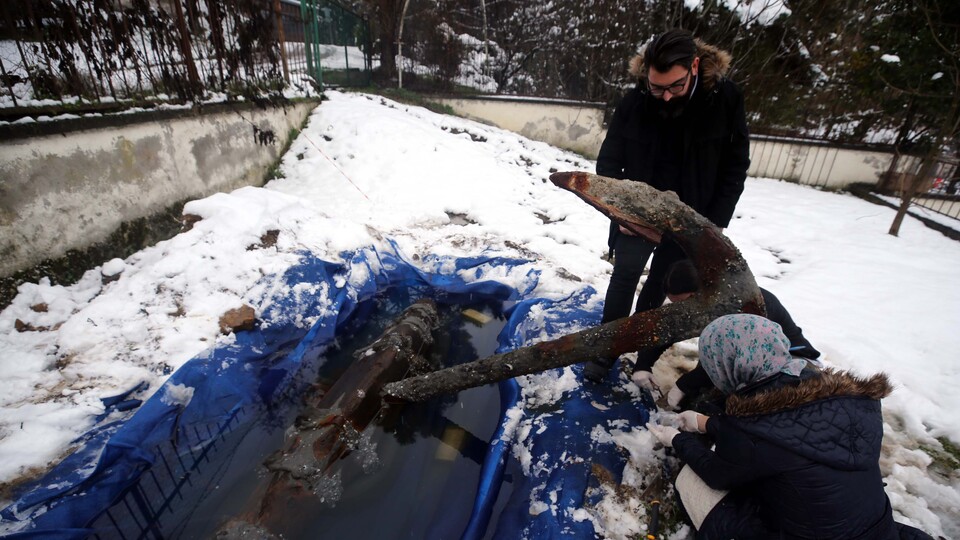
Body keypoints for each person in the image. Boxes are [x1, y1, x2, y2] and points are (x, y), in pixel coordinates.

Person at [647, 314, 933, 539]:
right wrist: (707, 423)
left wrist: (677, 439)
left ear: (726, 366)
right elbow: (793, 436)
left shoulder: (749, 427)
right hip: (875, 529)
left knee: (690, 481)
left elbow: (718, 473)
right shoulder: (849, 398)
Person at [583, 29, 750, 383]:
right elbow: (609, 163)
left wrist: (713, 223)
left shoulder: (726, 100)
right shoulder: (634, 102)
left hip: (691, 216)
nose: (666, 97)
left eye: (674, 87)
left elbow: (735, 165)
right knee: (624, 277)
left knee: (659, 286)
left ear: (694, 66)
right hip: (636, 215)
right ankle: (605, 351)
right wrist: (619, 211)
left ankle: (644, 357)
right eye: (657, 88)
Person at [632, 259, 820, 408]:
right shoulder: (702, 301)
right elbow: (671, 326)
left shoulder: (745, 306)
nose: (682, 309)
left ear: (703, 291)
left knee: (714, 406)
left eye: (684, 303)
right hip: (748, 360)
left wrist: (683, 386)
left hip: (794, 365)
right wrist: (643, 364)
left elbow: (722, 362)